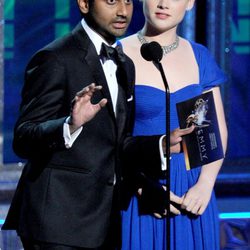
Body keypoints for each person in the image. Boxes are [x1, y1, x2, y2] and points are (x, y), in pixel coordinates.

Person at [2, 0, 134, 249]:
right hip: (58, 223)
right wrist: (69, 125)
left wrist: (161, 144)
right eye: (111, 1)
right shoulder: (55, 57)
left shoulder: (126, 64)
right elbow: (23, 137)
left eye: (128, 1)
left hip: (105, 219)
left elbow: (116, 140)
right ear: (84, 4)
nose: (122, 11)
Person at [120, 0, 228, 249]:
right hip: (143, 192)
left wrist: (204, 185)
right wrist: (141, 188)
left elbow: (213, 133)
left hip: (193, 192)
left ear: (190, 3)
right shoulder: (119, 54)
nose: (163, 3)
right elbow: (106, 140)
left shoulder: (198, 55)